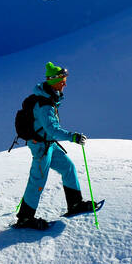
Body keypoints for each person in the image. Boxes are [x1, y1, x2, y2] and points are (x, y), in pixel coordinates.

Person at [16, 62, 94, 230]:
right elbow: (52, 128)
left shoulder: (49, 98)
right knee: (37, 181)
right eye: (62, 80)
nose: (65, 83)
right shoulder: (44, 104)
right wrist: (72, 136)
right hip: (41, 146)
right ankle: (25, 218)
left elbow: (50, 130)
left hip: (48, 143)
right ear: (53, 81)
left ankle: (75, 204)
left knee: (68, 168)